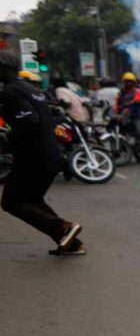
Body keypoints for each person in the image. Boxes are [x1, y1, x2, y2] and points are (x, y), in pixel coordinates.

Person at [0, 51, 85, 256]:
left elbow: (30, 122)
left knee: (11, 202)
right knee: (32, 200)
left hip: (33, 157)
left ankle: (63, 228)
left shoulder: (11, 92)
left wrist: (8, 140)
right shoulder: (30, 88)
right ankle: (72, 243)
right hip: (49, 153)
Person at [117, 72, 140, 164]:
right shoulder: (120, 93)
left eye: (130, 82)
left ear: (134, 83)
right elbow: (117, 104)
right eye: (126, 81)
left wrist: (126, 110)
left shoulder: (138, 92)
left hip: (135, 117)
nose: (127, 83)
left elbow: (136, 102)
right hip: (123, 117)